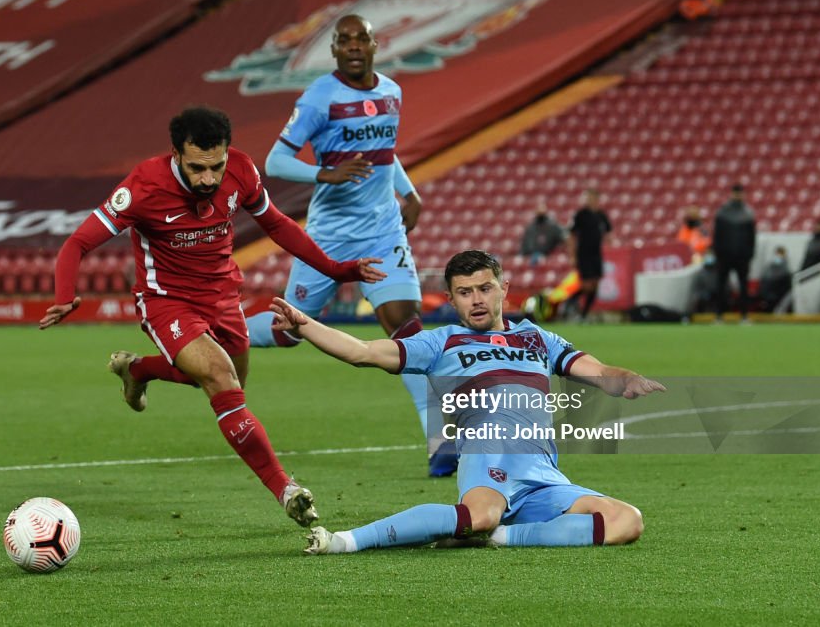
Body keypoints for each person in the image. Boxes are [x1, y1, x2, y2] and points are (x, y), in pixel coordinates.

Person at [39, 106, 385, 527]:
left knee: (226, 383)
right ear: (176, 154)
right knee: (220, 377)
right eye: (197, 168)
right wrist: (65, 294)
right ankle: (286, 489)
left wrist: (336, 268)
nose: (208, 179)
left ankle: (138, 369)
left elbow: (276, 224)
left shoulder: (241, 170)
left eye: (215, 166)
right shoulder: (144, 185)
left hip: (223, 298)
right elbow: (77, 242)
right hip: (165, 300)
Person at [268, 250, 664, 554]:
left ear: (504, 290)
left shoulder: (537, 338)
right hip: (488, 459)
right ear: (451, 300)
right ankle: (344, 541)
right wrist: (305, 325)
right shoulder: (441, 343)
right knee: (481, 513)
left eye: (485, 288)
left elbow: (595, 369)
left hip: (543, 472)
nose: (476, 300)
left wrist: (624, 378)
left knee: (626, 521)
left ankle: (499, 537)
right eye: (465, 292)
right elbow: (362, 351)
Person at [243, 15, 451, 476]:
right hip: (330, 236)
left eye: (362, 38)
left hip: (382, 229)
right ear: (335, 51)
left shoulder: (391, 92)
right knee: (288, 330)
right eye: (345, 40)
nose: (354, 46)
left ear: (376, 45)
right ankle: (224, 324)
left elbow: (385, 151)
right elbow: (276, 160)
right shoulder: (320, 97)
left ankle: (440, 440)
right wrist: (326, 173)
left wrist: (409, 192)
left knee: (404, 323)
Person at [712, 183, 756, 322]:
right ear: (731, 194)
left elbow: (752, 237)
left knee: (743, 287)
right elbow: (717, 236)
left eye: (740, 193)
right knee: (721, 286)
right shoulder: (722, 212)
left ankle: (744, 315)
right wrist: (718, 253)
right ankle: (719, 315)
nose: (738, 195)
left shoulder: (748, 213)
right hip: (724, 256)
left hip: (742, 257)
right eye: (736, 193)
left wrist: (749, 254)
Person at [566, 188, 611, 319]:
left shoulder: (601, 215)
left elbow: (608, 232)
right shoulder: (580, 215)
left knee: (595, 284)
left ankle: (583, 314)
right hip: (583, 254)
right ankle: (570, 303)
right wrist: (573, 255)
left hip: (596, 254)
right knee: (586, 285)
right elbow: (571, 235)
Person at [758, 246, 791, 313]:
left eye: (781, 253)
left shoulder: (785, 267)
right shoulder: (771, 264)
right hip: (770, 290)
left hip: (777, 292)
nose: (779, 255)